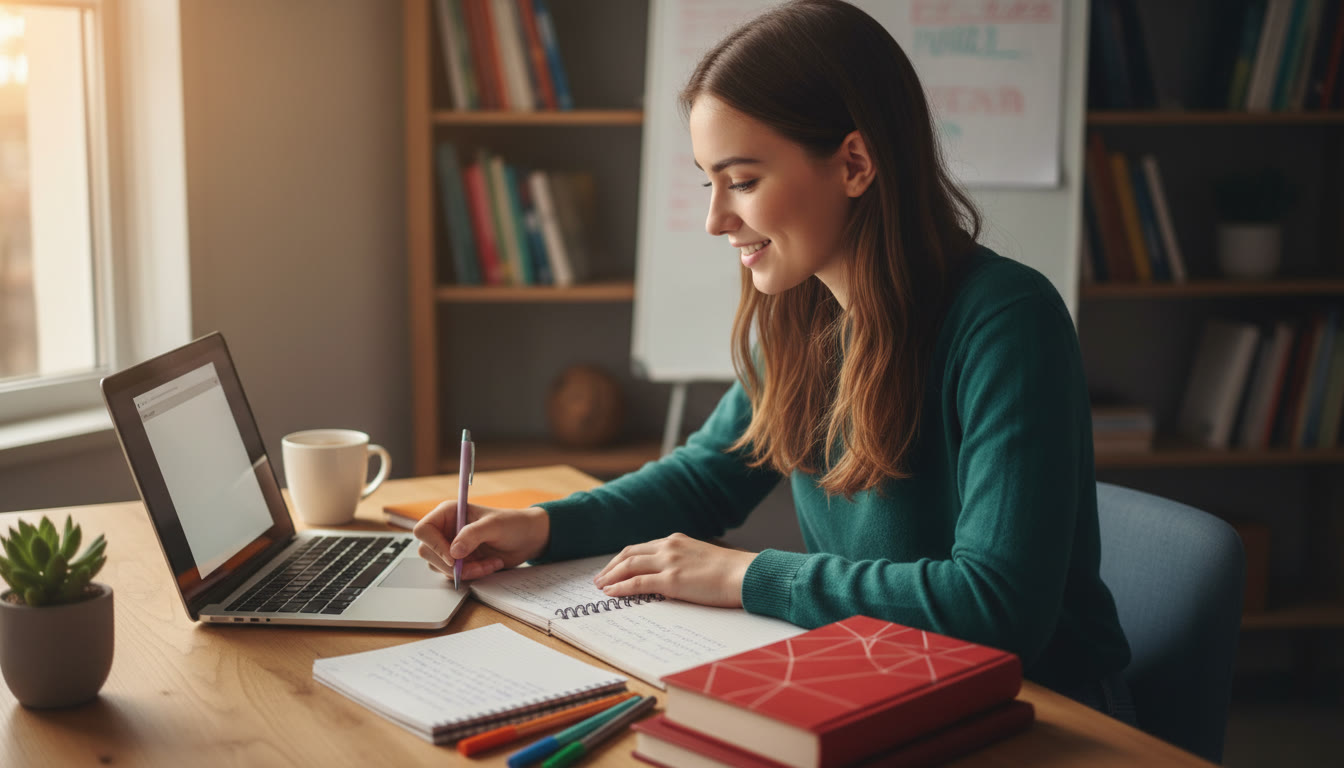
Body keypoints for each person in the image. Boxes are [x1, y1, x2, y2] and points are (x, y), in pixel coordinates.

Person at [415, 0, 1133, 721]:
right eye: (709, 181)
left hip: (1045, 711)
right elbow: (704, 479)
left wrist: (746, 575)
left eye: (744, 181)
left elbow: (995, 607)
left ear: (854, 163)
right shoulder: (801, 308)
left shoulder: (1008, 322)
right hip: (884, 677)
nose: (715, 220)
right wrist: (539, 526)